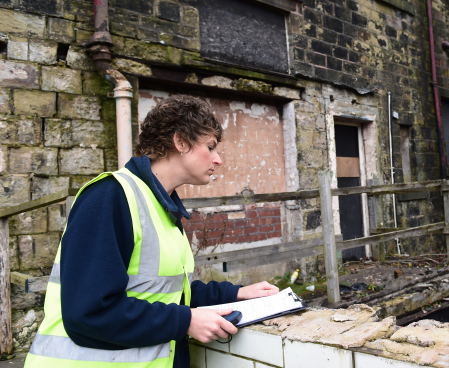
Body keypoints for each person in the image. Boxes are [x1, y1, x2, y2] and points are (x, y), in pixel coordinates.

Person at [25, 95, 279, 368]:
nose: (218, 160)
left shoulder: (161, 206)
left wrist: (235, 293)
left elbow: (166, 291)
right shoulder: (111, 197)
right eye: (211, 147)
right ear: (180, 142)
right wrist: (187, 321)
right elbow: (89, 312)